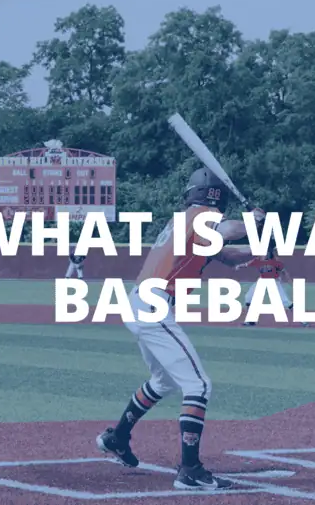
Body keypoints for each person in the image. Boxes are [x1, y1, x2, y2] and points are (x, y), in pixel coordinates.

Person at [95, 167, 263, 491]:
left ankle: (117, 437)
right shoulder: (201, 217)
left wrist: (260, 248)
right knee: (198, 385)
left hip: (142, 302)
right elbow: (229, 230)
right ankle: (190, 471)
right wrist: (252, 222)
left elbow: (226, 255)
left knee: (163, 381)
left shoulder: (187, 222)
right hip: (154, 305)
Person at [236, 246, 309, 327]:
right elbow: (246, 264)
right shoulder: (257, 260)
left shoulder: (275, 262)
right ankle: (251, 321)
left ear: (269, 254)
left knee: (285, 301)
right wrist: (238, 266)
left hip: (274, 281)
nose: (262, 254)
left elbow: (285, 273)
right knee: (248, 297)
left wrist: (291, 284)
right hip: (262, 280)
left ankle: (303, 320)